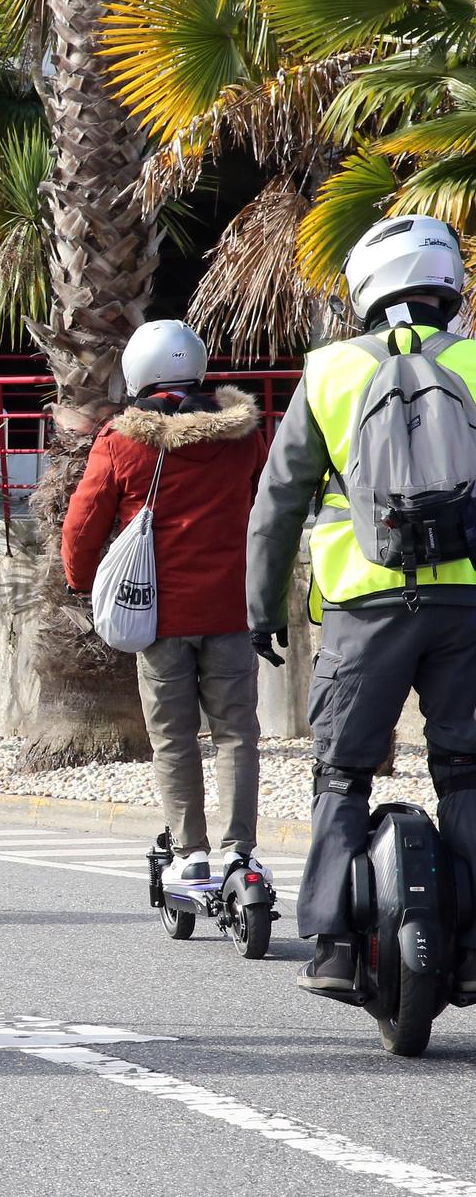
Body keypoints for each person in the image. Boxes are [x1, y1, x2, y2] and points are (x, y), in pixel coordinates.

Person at [247, 214, 476, 997]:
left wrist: (261, 608)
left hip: (361, 606)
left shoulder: (330, 371)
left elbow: (277, 501)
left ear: (368, 287)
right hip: (468, 605)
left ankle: (335, 947)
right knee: (468, 770)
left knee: (341, 773)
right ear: (449, 283)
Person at [63, 321, 269, 885]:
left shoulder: (123, 441)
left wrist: (81, 581)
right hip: (230, 609)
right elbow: (261, 507)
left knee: (174, 737)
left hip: (156, 616)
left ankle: (190, 852)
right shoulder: (246, 436)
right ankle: (239, 852)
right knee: (236, 733)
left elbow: (83, 523)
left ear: (138, 373)